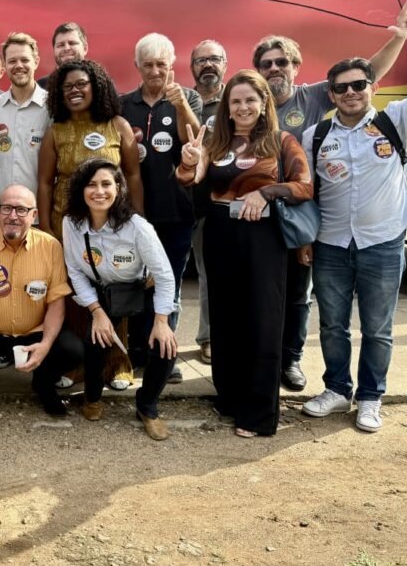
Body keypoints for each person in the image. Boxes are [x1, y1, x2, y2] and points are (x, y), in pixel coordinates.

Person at [300, 6, 407, 433]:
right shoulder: (314, 136)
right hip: (332, 244)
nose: (351, 92)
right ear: (332, 95)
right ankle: (337, 389)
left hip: (383, 244)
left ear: (372, 87)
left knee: (378, 328)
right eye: (342, 88)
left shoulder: (398, 122)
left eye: (359, 84)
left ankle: (371, 397)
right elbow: (307, 194)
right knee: (333, 324)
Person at [252, 0, 407, 392]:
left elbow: (363, 77)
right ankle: (260, 358)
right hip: (258, 212)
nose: (274, 69)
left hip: (300, 211)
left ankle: (291, 360)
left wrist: (399, 38)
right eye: (267, 64)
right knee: (259, 292)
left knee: (298, 296)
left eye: (282, 62)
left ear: (295, 67)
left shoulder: (313, 97)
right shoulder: (250, 102)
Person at [176, 70, 312, 437]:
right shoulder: (217, 143)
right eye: (235, 101)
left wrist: (265, 193)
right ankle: (230, 398)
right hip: (220, 234)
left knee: (262, 322)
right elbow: (192, 178)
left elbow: (304, 186)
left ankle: (258, 414)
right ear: (227, 107)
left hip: (263, 239)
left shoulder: (281, 141)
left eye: (250, 99)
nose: (243, 107)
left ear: (264, 102)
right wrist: (190, 160)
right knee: (226, 319)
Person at [37, 58, 142, 390]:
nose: (74, 91)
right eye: (66, 87)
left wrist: (137, 223)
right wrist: (46, 229)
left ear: (97, 87)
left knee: (115, 293)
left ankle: (118, 362)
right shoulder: (56, 130)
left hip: (113, 227)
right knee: (75, 297)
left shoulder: (118, 126)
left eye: (81, 84)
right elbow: (44, 183)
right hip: (67, 228)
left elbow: (134, 176)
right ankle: (80, 364)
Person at [62, 159, 177, 440]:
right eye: (91, 184)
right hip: (105, 293)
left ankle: (147, 406)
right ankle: (92, 397)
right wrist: (97, 312)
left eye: (106, 184)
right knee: (95, 341)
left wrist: (161, 321)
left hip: (145, 289)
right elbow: (75, 272)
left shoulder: (137, 227)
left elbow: (165, 276)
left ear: (118, 188)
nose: (99, 191)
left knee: (164, 347)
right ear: (80, 190)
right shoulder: (71, 224)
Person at [0, 185, 85, 417]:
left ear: (34, 215)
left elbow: (56, 301)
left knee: (72, 349)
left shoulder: (50, 246)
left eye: (21, 210)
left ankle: (43, 384)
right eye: (7, 208)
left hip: (34, 331)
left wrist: (45, 345)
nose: (13, 216)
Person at [120, 33, 202, 384]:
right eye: (149, 64)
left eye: (162, 65)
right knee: (136, 283)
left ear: (173, 66)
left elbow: (198, 141)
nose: (156, 71)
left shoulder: (190, 98)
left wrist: (181, 104)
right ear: (137, 66)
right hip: (133, 214)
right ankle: (137, 352)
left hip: (176, 213)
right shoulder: (124, 104)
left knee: (168, 284)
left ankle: (164, 357)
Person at [188, 40, 229, 366]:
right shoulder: (184, 100)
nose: (208, 65)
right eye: (201, 60)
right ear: (192, 68)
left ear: (225, 64)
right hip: (176, 205)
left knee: (211, 277)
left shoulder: (234, 102)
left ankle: (210, 338)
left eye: (214, 59)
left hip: (212, 207)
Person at [0, 33, 49, 206]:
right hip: (0, 211)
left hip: (37, 212)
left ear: (36, 62)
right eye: (12, 61)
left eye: (25, 60)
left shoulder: (51, 106)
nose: (19, 66)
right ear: (5, 65)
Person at [37, 21, 88, 89]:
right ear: (54, 50)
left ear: (85, 48)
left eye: (72, 43)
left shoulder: (98, 83)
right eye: (60, 45)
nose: (66, 48)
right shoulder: (40, 87)